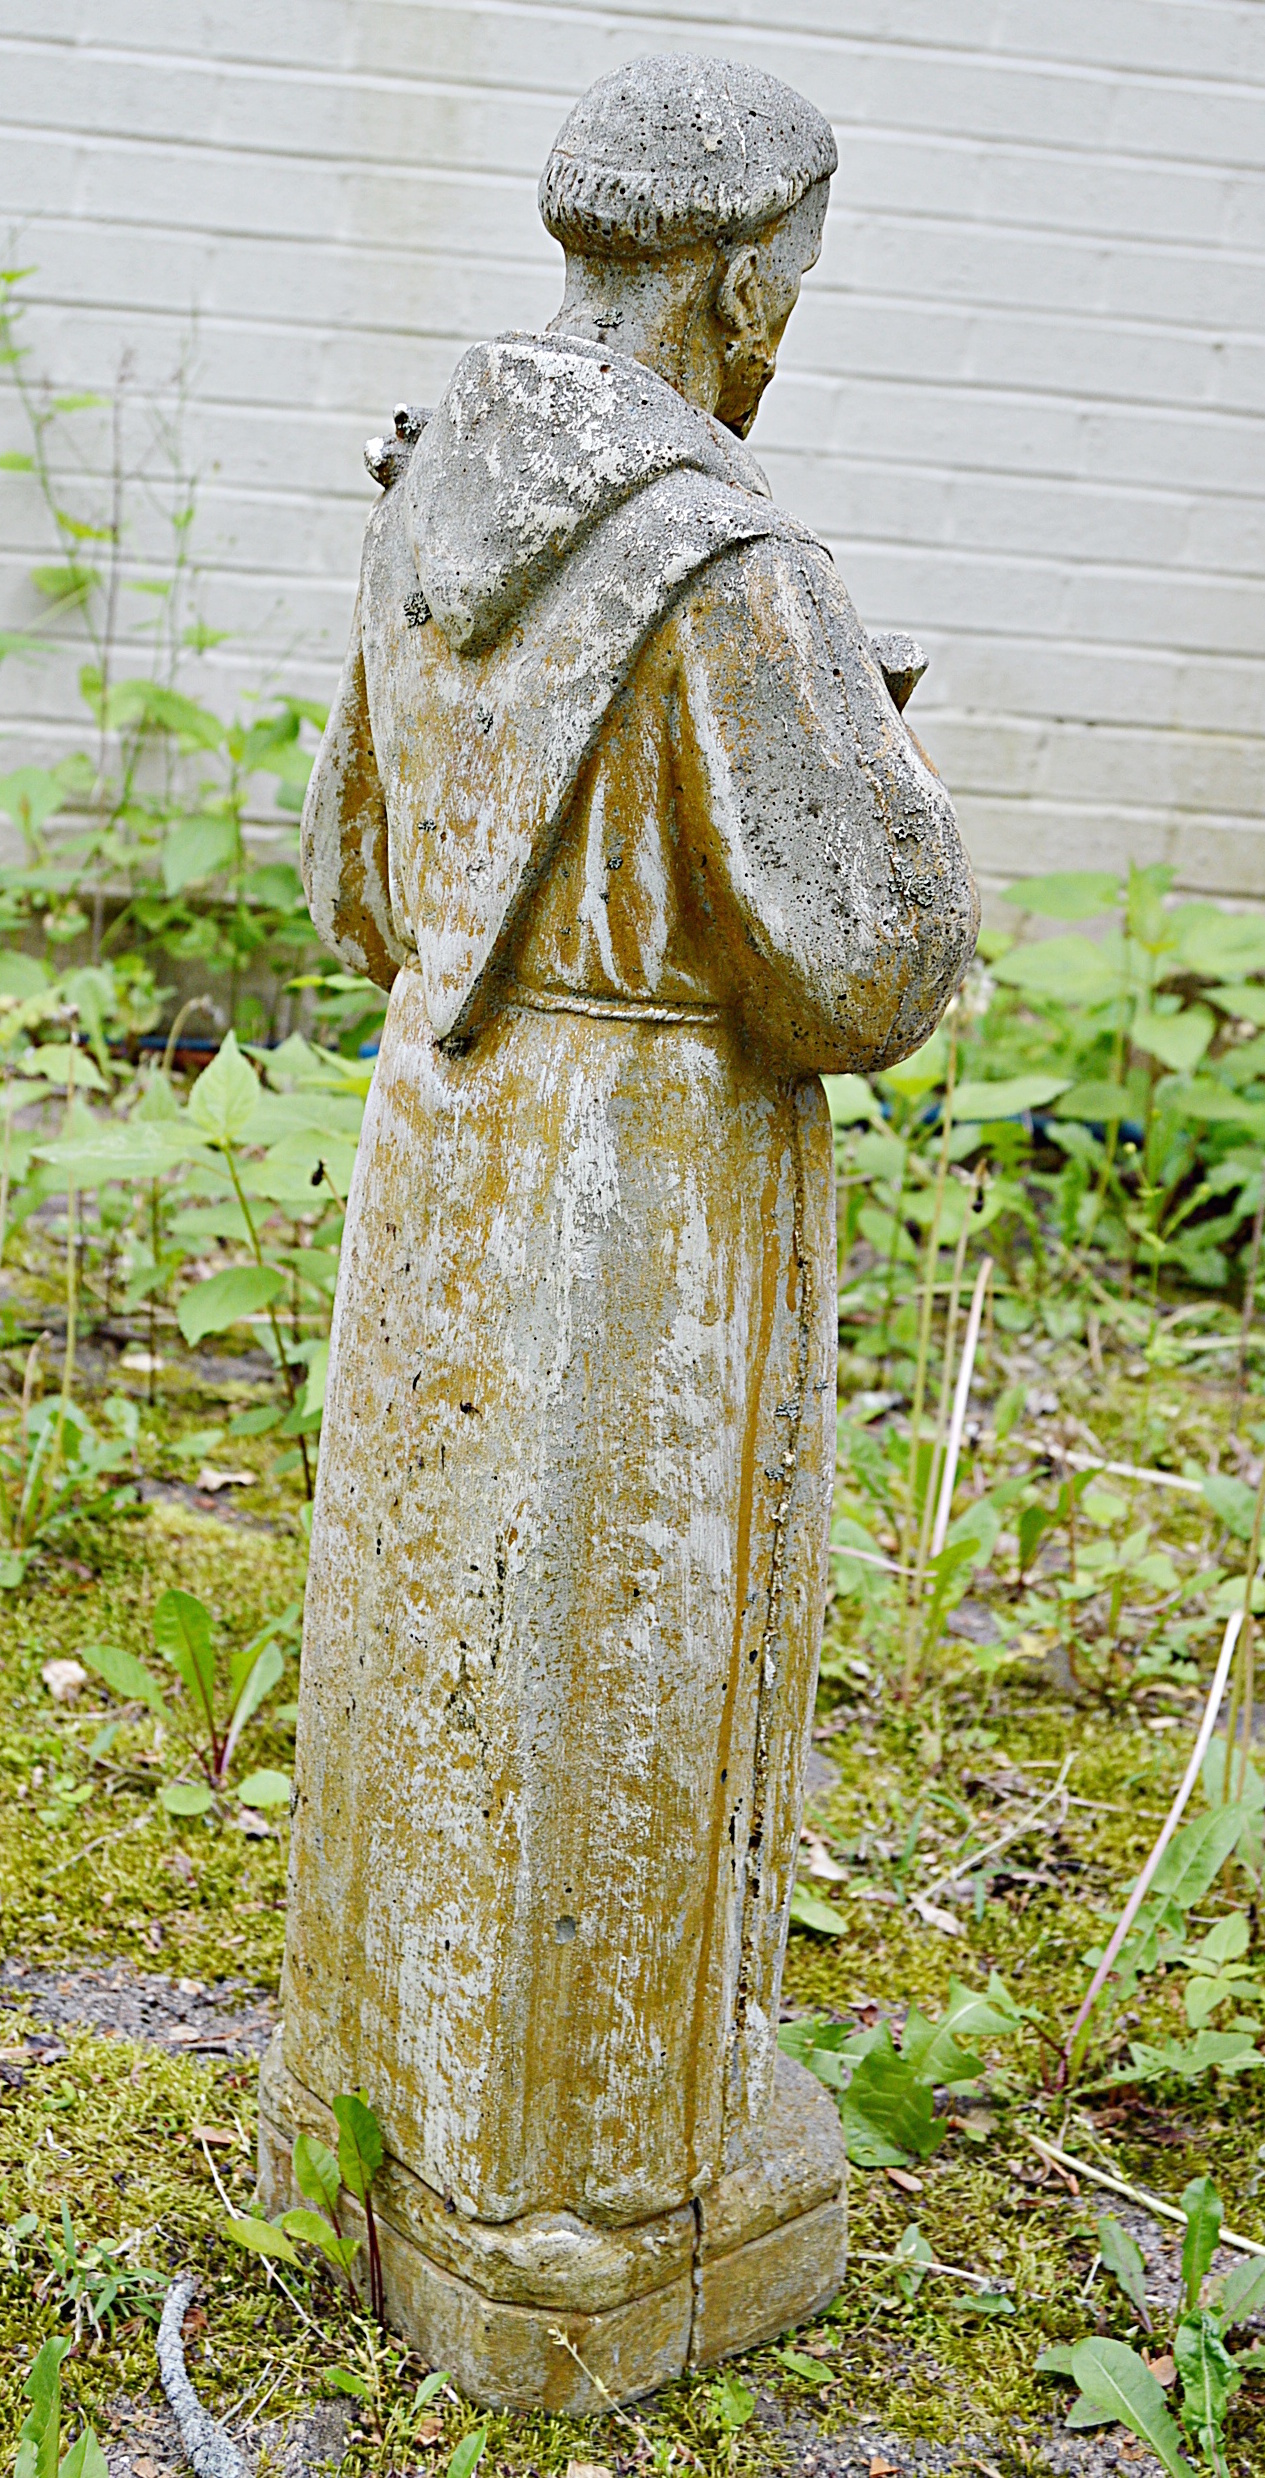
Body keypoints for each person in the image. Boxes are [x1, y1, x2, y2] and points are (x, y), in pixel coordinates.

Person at [271, 53, 978, 2401]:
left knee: (425, 1632)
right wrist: (875, 754)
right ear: (743, 278)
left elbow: (352, 874)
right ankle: (576, 2206)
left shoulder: (424, 485)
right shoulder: (732, 563)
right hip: (644, 1205)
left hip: (445, 1142)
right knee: (609, 1665)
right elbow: (865, 964)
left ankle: (367, 2114)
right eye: (793, 279)